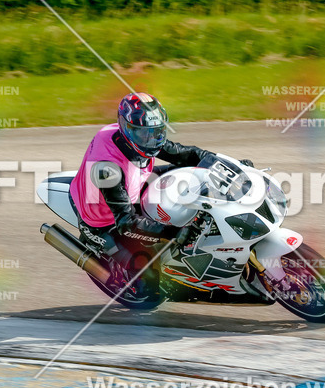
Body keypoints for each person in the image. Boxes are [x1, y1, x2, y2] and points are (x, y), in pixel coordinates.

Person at [69, 92, 252, 296]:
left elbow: (187, 154)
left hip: (134, 184)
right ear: (127, 129)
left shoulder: (140, 136)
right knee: (149, 285)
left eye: (157, 131)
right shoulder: (106, 168)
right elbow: (126, 222)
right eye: (144, 134)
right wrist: (174, 232)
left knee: (194, 173)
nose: (152, 140)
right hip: (104, 221)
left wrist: (230, 165)